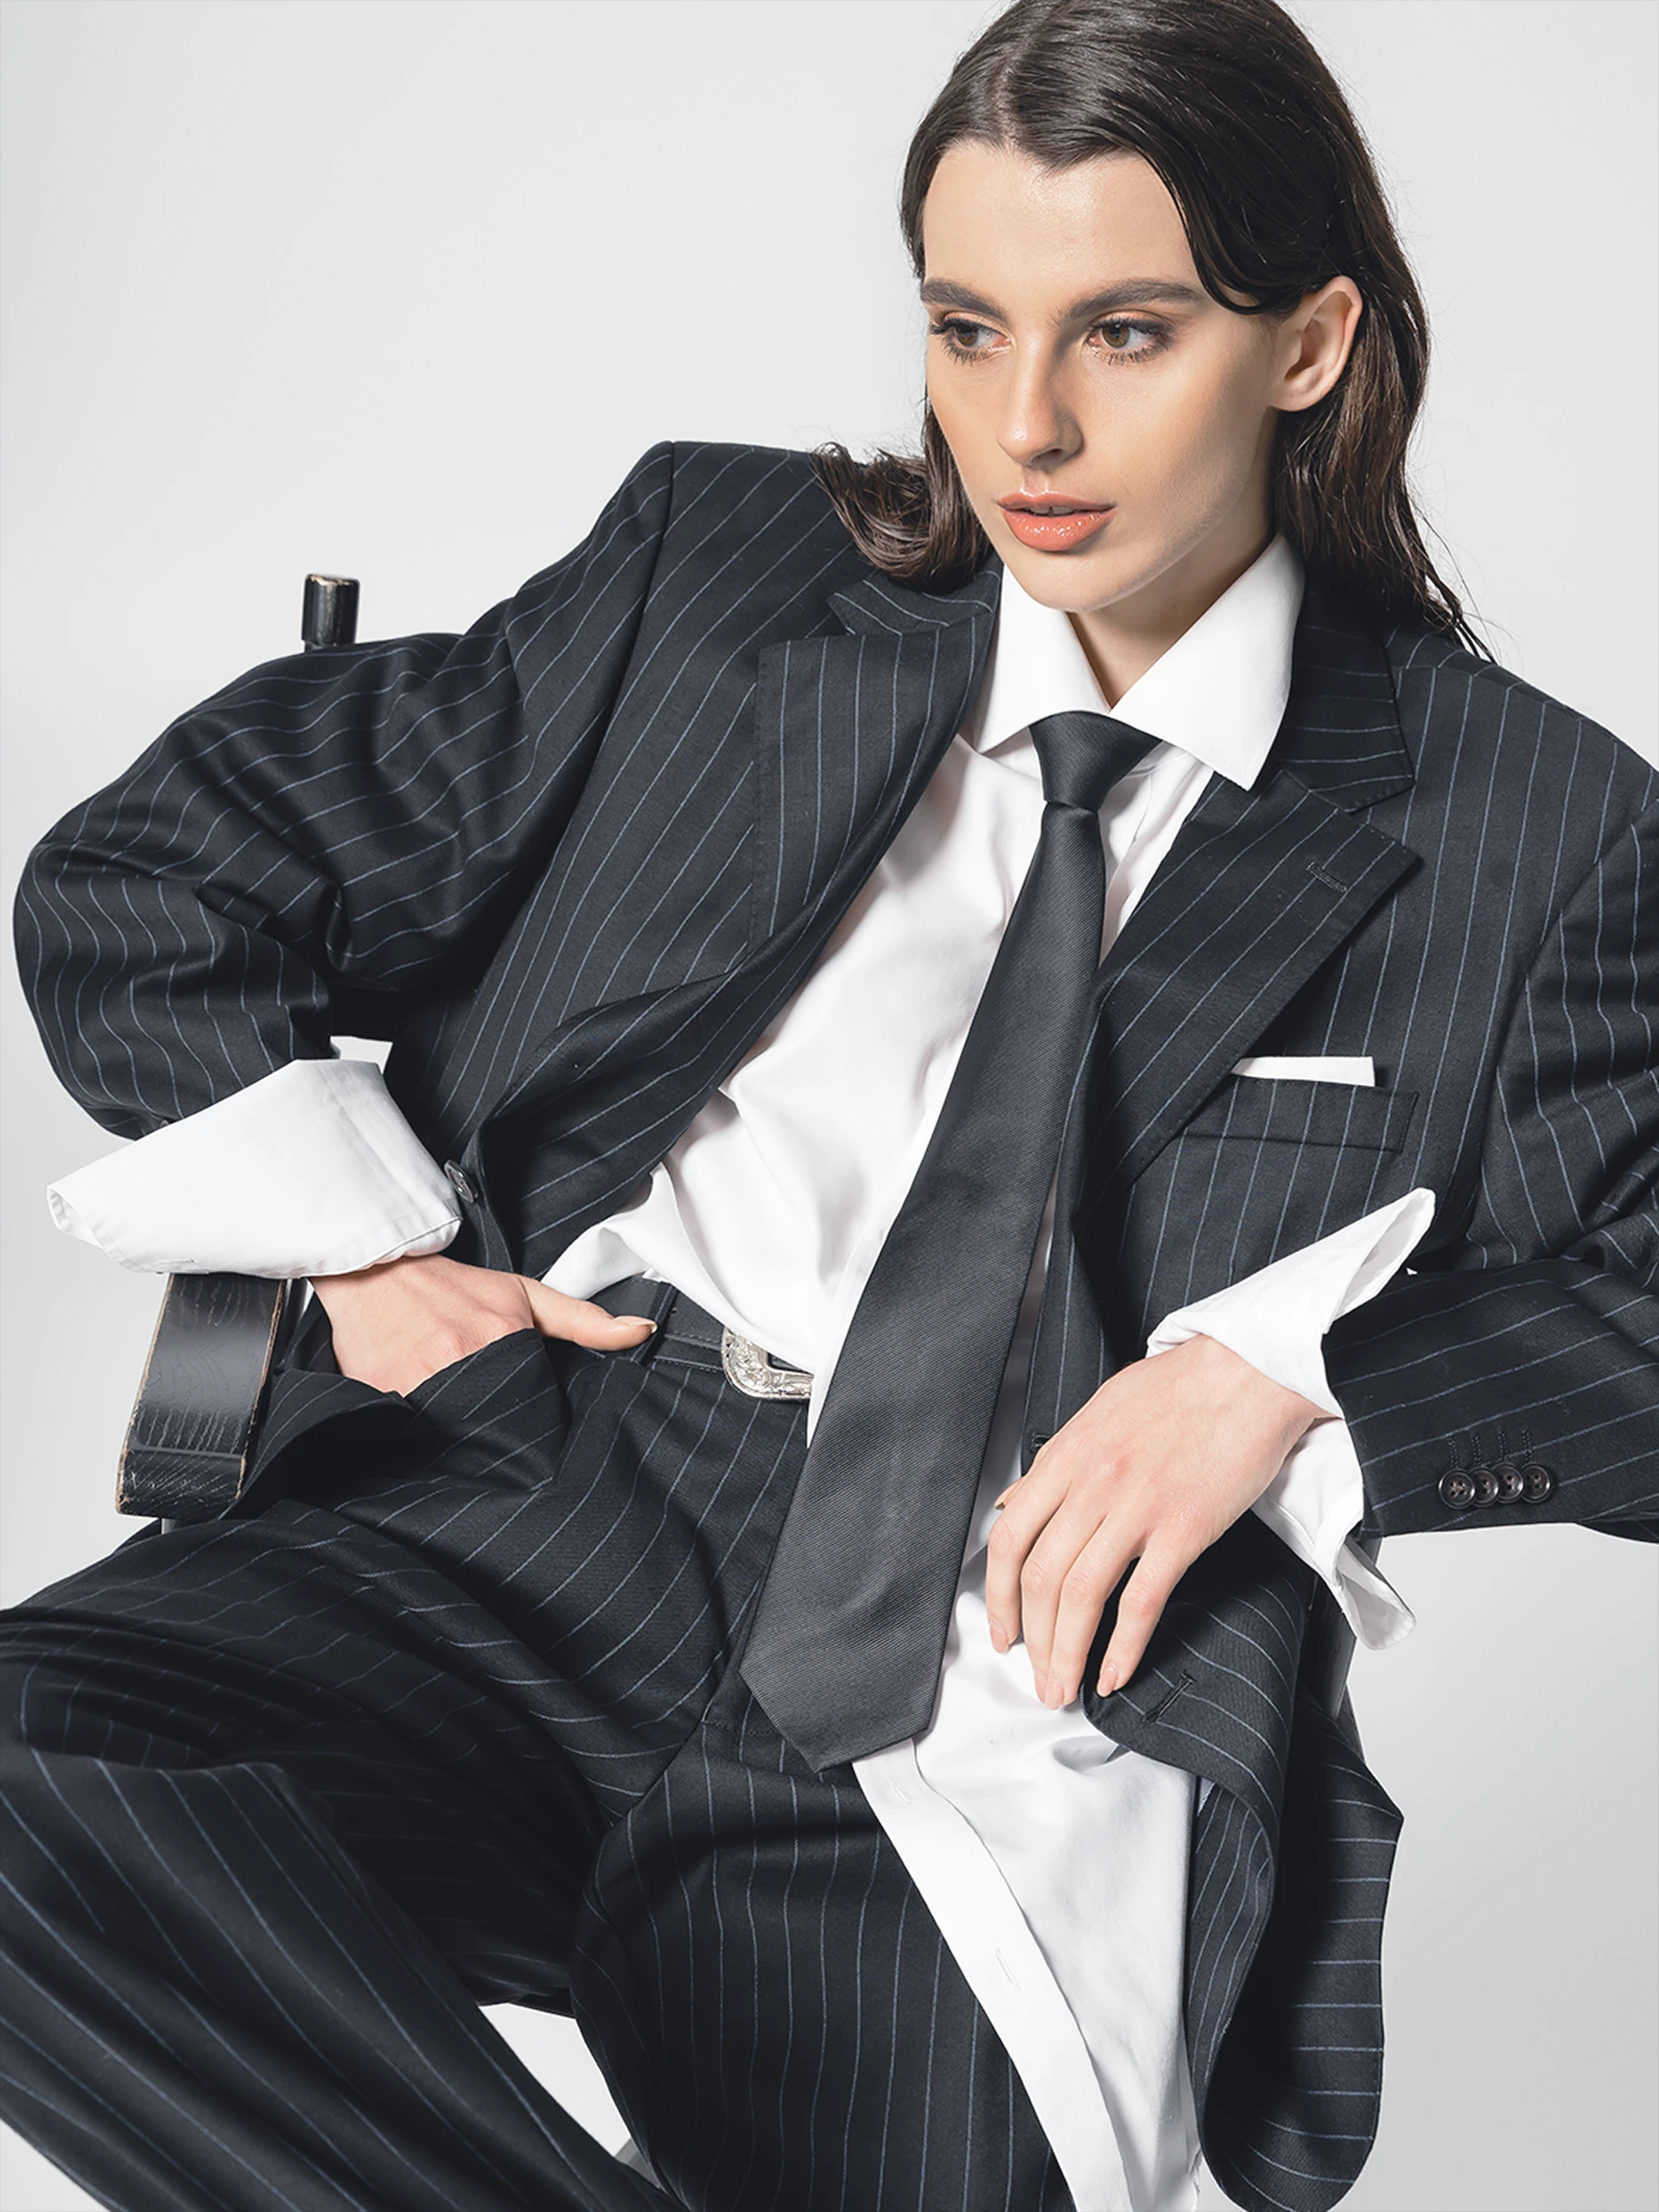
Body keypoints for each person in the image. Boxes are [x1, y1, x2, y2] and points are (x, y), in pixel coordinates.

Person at [3, 0, 1655, 2208]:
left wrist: (1286, 1375)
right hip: (534, 1495)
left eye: (1127, 331)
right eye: (968, 328)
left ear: (1310, 342)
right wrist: (366, 1247)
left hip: (1008, 1675)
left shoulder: (1530, 825)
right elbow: (155, 877)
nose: (1026, 424)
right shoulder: (719, 581)